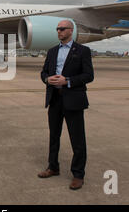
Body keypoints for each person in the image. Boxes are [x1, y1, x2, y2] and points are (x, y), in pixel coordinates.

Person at [38, 19, 94, 190]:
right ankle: (53, 167)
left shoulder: (83, 50)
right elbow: (43, 72)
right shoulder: (52, 51)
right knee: (54, 136)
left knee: (77, 139)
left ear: (71, 30)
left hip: (73, 100)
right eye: (57, 29)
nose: (59, 32)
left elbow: (88, 76)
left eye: (62, 29)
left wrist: (67, 81)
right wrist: (48, 79)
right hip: (54, 99)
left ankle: (78, 174)